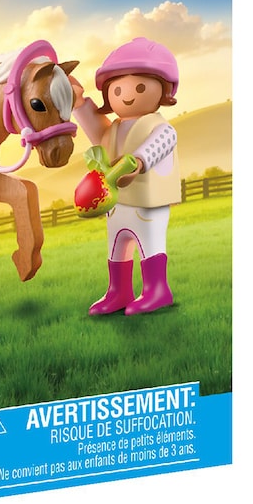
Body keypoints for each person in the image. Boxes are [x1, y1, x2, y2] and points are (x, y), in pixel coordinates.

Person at [72, 37, 180, 315]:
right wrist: (79, 104)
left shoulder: (159, 126)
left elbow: (162, 143)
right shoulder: (115, 128)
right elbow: (97, 132)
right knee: (117, 245)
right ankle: (118, 291)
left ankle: (157, 290)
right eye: (117, 89)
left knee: (149, 243)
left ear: (164, 89)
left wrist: (140, 161)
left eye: (140, 87)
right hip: (117, 203)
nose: (127, 95)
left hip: (147, 204)